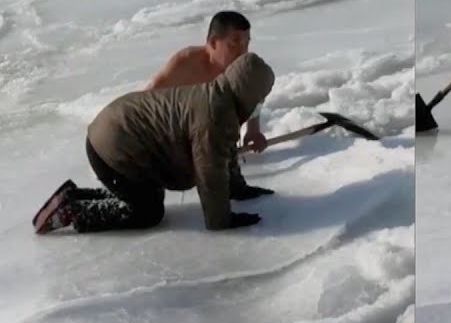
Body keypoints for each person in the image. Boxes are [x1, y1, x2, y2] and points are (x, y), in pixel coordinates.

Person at [32, 53, 275, 234]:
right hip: (113, 147)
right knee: (147, 212)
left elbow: (224, 152)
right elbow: (210, 171)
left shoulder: (217, 97)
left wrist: (238, 189)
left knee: (147, 194)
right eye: (260, 97)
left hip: (116, 136)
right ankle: (74, 212)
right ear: (250, 94)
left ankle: (74, 196)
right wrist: (222, 221)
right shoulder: (215, 114)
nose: (260, 103)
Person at [147, 11, 273, 200]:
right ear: (214, 42)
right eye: (235, 43)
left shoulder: (242, 70)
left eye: (247, 43)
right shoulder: (186, 63)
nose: (243, 51)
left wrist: (253, 131)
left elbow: (253, 99)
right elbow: (148, 99)